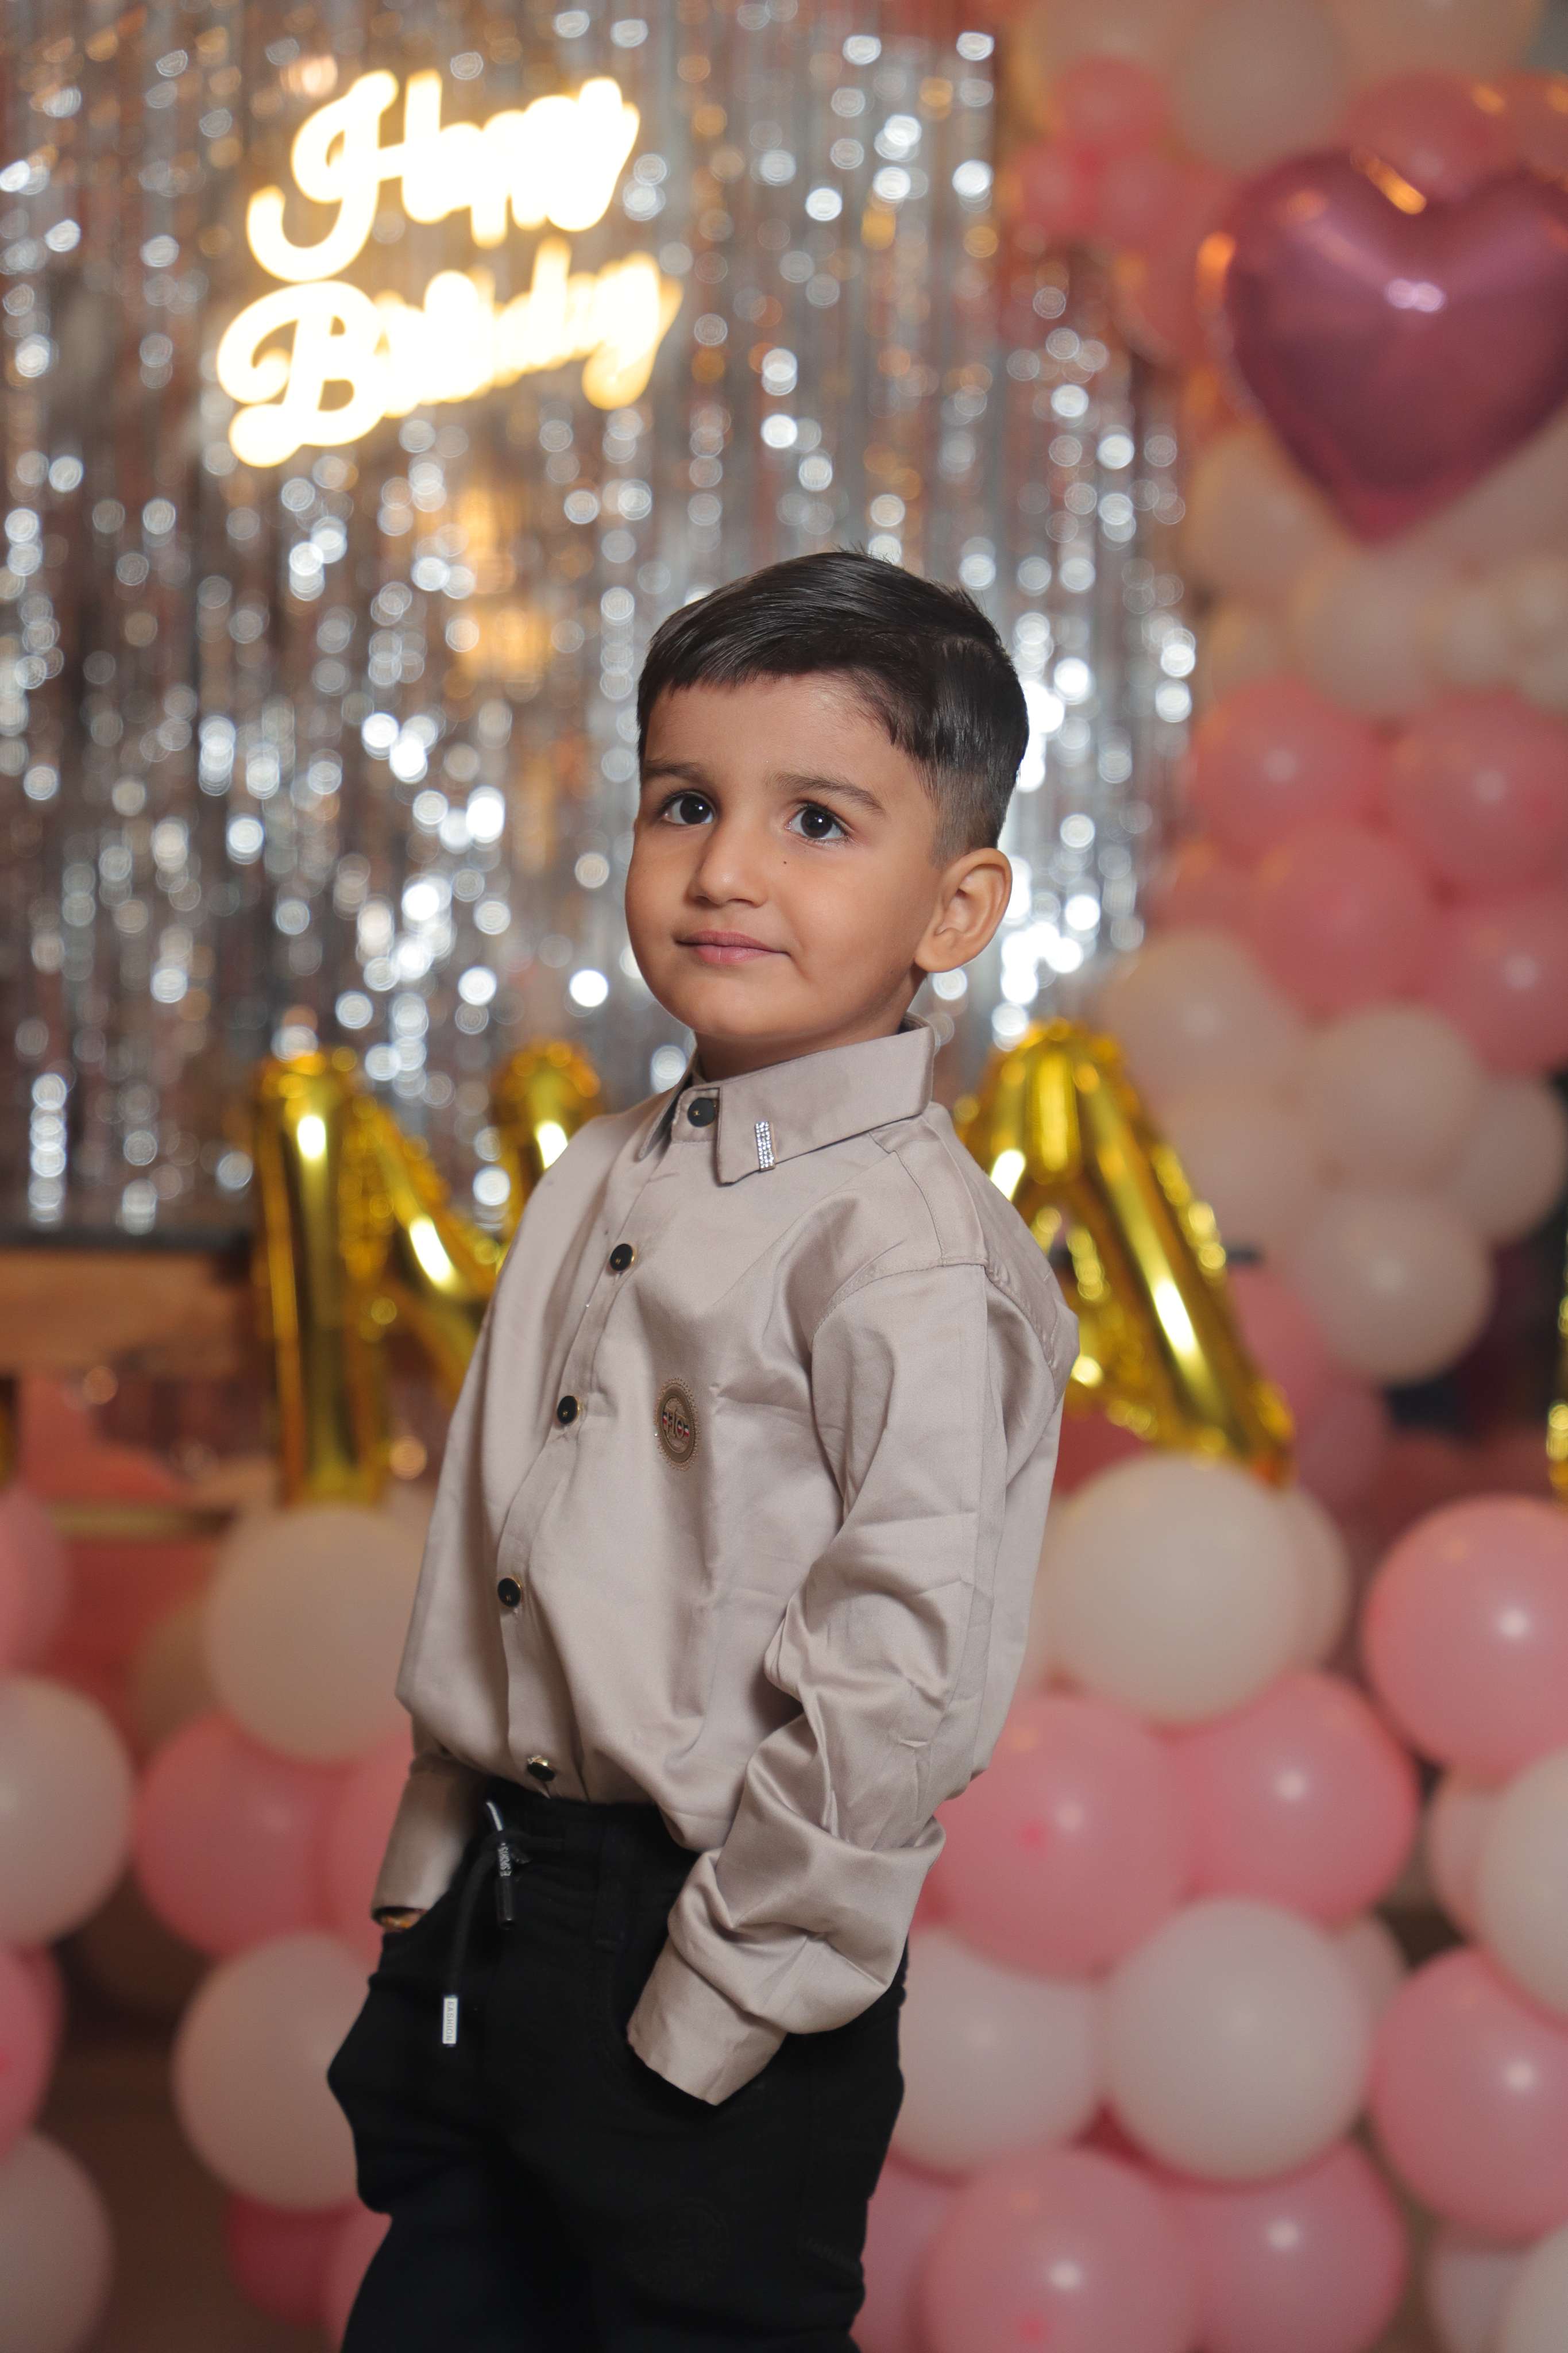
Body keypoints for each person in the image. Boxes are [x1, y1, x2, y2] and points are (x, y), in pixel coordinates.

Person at [327, 549, 1077, 2351]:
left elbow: (895, 1674)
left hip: (715, 1927)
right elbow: (508, 1550)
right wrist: (435, 1869)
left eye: (815, 820)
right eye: (684, 802)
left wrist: (723, 1996)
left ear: (955, 906)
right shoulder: (601, 1171)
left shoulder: (904, 1255)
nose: (724, 868)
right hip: (500, 1882)